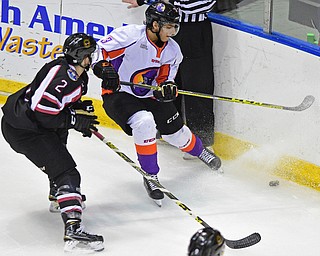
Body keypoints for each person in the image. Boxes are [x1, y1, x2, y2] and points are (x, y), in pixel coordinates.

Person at [91, 1, 221, 206]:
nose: (174, 31)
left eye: (175, 27)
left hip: (148, 96)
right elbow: (98, 49)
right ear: (154, 25)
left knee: (177, 134)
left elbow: (164, 79)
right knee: (144, 122)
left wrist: (166, 89)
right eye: (169, 26)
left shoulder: (173, 51)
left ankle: (200, 152)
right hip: (119, 94)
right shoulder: (130, 36)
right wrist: (102, 67)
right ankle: (150, 176)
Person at [1, 33, 104, 252]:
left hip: (31, 124)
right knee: (67, 172)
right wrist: (74, 121)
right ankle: (73, 228)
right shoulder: (63, 77)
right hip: (25, 130)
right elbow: (42, 113)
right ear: (81, 56)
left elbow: (58, 107)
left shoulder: (76, 73)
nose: (92, 58)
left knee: (59, 146)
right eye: (89, 54)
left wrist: (77, 113)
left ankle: (58, 195)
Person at [122, 0, 217, 149]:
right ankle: (167, 128)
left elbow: (202, 5)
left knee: (196, 84)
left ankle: (201, 139)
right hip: (166, 28)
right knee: (165, 79)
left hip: (194, 32)